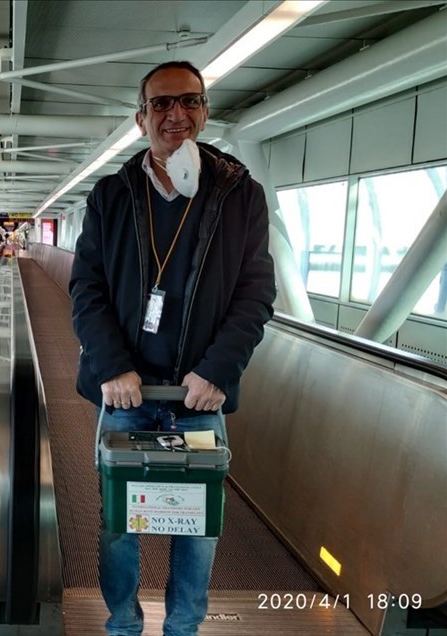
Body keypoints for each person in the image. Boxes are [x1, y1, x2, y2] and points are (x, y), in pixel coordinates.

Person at [69, 61, 276, 636]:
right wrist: (111, 365)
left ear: (205, 112)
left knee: (198, 525)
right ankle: (122, 626)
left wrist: (217, 371)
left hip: (199, 397)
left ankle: (183, 628)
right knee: (119, 526)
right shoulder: (111, 195)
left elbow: (256, 293)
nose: (175, 115)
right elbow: (86, 288)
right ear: (141, 119)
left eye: (188, 102)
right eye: (161, 104)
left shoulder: (241, 195)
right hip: (126, 393)